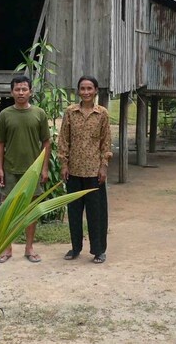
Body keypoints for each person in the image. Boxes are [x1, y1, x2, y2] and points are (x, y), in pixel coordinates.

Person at [0, 74, 51, 263]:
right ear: (12, 92)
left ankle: (29, 248)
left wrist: (44, 169)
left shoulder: (39, 114)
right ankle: (7, 249)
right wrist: (0, 168)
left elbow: (46, 142)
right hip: (10, 169)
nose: (20, 92)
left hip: (33, 171)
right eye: (17, 89)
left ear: (30, 92)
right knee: (7, 210)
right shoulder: (5, 115)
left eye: (24, 89)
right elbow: (0, 143)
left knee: (31, 211)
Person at [58, 75, 112, 264]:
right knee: (74, 211)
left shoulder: (102, 113)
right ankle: (75, 247)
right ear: (78, 91)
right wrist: (64, 164)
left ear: (96, 90)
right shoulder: (70, 112)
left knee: (96, 213)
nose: (86, 92)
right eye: (83, 89)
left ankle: (98, 250)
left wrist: (104, 167)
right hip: (73, 171)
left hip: (94, 172)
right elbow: (64, 140)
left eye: (90, 88)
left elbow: (106, 142)